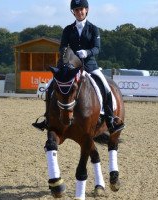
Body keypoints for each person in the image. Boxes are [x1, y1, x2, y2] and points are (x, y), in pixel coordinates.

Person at [33, 0, 123, 134]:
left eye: (81, 9)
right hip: (71, 65)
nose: (79, 12)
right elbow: (63, 46)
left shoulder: (93, 29)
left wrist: (87, 52)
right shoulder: (68, 29)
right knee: (50, 86)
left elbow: (97, 48)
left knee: (105, 88)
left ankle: (110, 119)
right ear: (73, 12)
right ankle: (47, 119)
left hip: (89, 65)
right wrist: (67, 58)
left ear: (86, 10)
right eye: (76, 10)